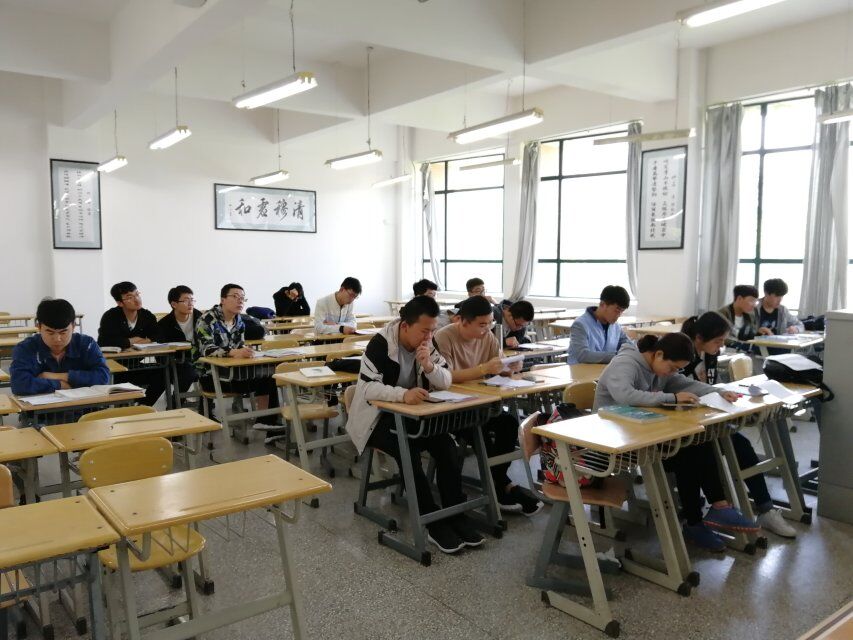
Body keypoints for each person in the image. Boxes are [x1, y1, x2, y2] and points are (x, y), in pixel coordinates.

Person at [594, 333, 759, 551]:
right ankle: (696, 522)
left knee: (699, 441)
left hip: (641, 432)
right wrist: (671, 398)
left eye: (676, 369)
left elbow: (684, 383)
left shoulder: (660, 368)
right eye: (672, 367)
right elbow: (625, 396)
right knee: (687, 455)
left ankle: (716, 509)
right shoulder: (626, 363)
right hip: (613, 440)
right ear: (658, 354)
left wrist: (718, 392)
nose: (672, 372)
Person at [347, 295, 484, 554]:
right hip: (376, 419)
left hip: (413, 416)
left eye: (433, 330)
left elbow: (446, 380)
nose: (429, 336)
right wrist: (403, 394)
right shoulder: (380, 344)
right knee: (407, 450)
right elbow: (367, 389)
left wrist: (429, 366)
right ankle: (431, 521)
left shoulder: (427, 344)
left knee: (447, 447)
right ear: (405, 325)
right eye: (424, 330)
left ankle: (455, 514)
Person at [680, 313, 797, 538]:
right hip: (689, 426)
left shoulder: (710, 355)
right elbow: (681, 390)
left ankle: (766, 509)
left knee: (742, 445)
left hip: (708, 420)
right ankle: (711, 512)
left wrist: (723, 394)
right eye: (718, 341)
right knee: (707, 451)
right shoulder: (682, 355)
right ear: (699, 338)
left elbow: (711, 386)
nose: (721, 346)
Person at [434, 296, 543, 515]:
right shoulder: (443, 337)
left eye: (490, 323)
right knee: (479, 430)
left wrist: (510, 367)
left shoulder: (488, 336)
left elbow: (498, 366)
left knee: (509, 424)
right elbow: (446, 377)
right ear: (463, 321)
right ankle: (502, 487)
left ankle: (499, 482)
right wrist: (484, 369)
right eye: (482, 324)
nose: (487, 329)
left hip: (479, 403)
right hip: (452, 408)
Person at [194, 284, 280, 425]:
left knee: (269, 378)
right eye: (235, 296)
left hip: (236, 373)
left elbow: (239, 345)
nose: (240, 301)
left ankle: (265, 422)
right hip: (211, 376)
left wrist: (246, 351)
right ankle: (266, 421)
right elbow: (207, 349)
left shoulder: (239, 321)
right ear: (222, 300)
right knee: (264, 380)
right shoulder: (207, 320)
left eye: (242, 298)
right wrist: (234, 352)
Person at [11, 298, 110, 396]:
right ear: (39, 327)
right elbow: (19, 384)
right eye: (50, 332)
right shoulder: (26, 348)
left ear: (73, 326)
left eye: (63, 332)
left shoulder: (87, 344)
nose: (57, 339)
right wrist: (60, 385)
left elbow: (103, 377)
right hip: (44, 406)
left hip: (84, 404)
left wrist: (56, 376)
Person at [97, 281, 165, 406]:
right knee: (120, 385)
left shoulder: (146, 315)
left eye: (137, 294)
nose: (136, 299)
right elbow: (104, 341)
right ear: (120, 303)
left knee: (163, 375)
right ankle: (124, 409)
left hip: (137, 364)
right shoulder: (110, 316)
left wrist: (145, 340)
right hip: (116, 369)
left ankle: (143, 406)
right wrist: (131, 340)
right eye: (129, 297)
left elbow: (158, 335)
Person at [567, 285, 631, 364]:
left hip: (604, 370)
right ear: (602, 304)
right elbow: (583, 355)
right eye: (617, 310)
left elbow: (629, 346)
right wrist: (617, 356)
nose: (619, 315)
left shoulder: (616, 327)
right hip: (580, 370)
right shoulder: (580, 325)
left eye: (622, 311)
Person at [156, 285, 201, 395]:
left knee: (210, 372)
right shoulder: (164, 324)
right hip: (177, 361)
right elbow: (161, 352)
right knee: (188, 372)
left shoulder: (201, 318)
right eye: (186, 300)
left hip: (200, 358)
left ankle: (206, 405)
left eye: (192, 300)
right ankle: (177, 402)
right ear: (174, 304)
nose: (190, 303)